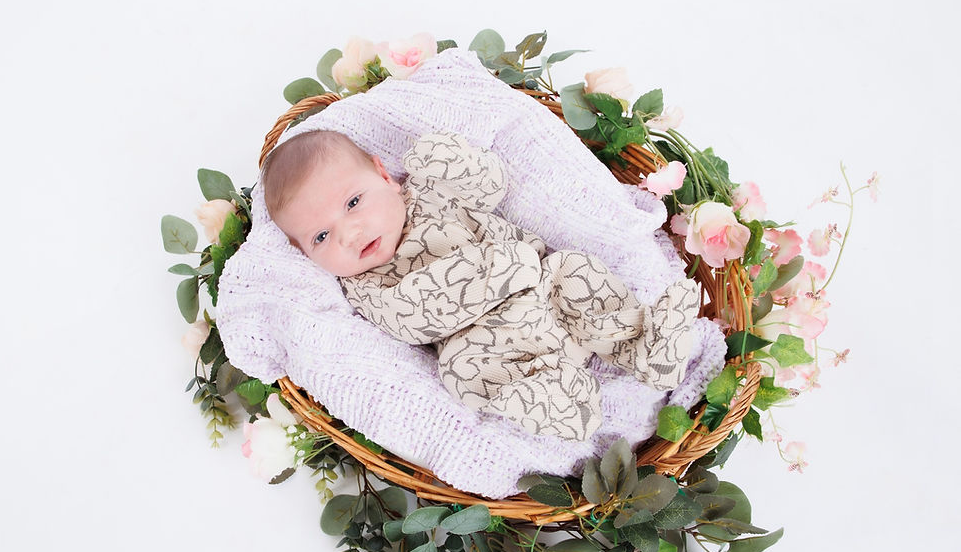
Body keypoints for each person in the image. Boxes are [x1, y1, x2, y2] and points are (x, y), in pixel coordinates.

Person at [261, 129, 700, 442]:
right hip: (489, 342)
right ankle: (563, 403)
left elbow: (490, 187)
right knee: (460, 372)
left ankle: (644, 348)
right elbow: (415, 319)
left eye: (353, 202)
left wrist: (443, 158)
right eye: (321, 237)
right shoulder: (365, 286)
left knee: (574, 268)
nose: (350, 234)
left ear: (384, 175)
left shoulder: (430, 192)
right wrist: (500, 268)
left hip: (544, 290)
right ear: (307, 257)